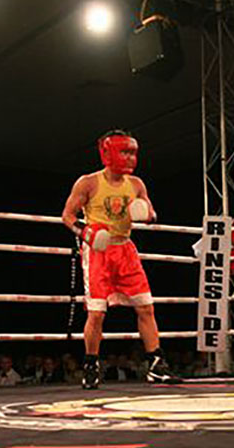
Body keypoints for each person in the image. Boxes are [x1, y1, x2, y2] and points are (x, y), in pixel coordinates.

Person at [62, 129, 181, 388]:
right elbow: (67, 216)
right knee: (96, 314)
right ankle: (91, 366)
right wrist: (85, 232)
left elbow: (152, 212)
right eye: (124, 152)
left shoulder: (136, 184)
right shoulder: (88, 183)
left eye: (132, 152)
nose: (129, 158)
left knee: (146, 307)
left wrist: (147, 214)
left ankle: (156, 365)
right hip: (98, 253)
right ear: (108, 152)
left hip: (125, 250)